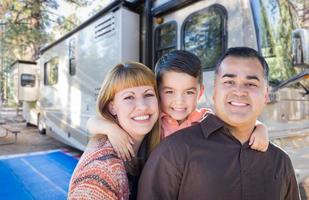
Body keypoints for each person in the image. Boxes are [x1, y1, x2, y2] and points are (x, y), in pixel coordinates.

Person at [137, 47, 300, 200]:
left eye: (251, 84)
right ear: (214, 92)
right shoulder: (169, 147)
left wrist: (260, 126)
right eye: (229, 82)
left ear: (266, 95)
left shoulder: (281, 162)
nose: (239, 91)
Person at [87, 50, 269, 162]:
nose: (179, 102)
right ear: (157, 92)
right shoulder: (152, 119)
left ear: (200, 92)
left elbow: (237, 125)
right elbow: (92, 122)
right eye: (169, 92)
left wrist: (260, 128)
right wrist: (112, 130)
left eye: (189, 92)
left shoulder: (206, 120)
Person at [68, 62, 160, 200]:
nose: (142, 106)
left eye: (148, 95)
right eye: (129, 97)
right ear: (112, 107)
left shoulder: (150, 145)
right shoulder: (101, 170)